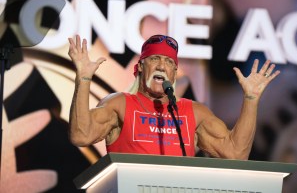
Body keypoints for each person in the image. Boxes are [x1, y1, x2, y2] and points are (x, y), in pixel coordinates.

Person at [67, 34, 280, 160]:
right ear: (141, 67)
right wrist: (84, 79)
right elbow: (81, 136)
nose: (162, 65)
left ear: (174, 72)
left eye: (169, 62)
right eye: (155, 59)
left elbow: (235, 153)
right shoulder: (119, 104)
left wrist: (251, 100)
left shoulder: (194, 112)